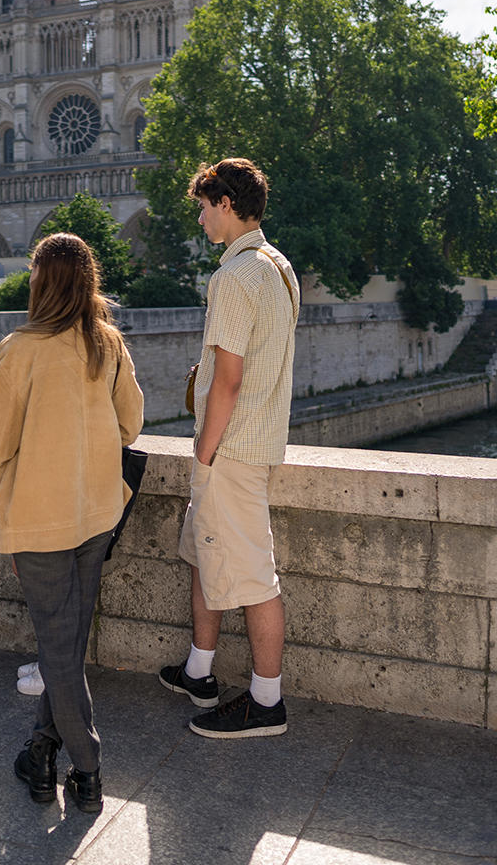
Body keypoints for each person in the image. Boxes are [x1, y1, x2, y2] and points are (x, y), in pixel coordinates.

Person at [0, 233, 145, 813]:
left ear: (41, 282)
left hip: (41, 519)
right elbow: (132, 425)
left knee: (58, 645)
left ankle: (87, 767)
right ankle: (41, 753)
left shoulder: (21, 348)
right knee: (66, 642)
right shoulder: (107, 343)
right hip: (96, 510)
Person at [159, 159, 299, 738]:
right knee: (203, 552)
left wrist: (206, 453)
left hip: (232, 449)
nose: (199, 216)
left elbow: (230, 380)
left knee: (252, 578)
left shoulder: (234, 277)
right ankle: (200, 671)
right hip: (258, 438)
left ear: (225, 202)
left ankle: (267, 702)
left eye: (203, 205)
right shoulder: (278, 266)